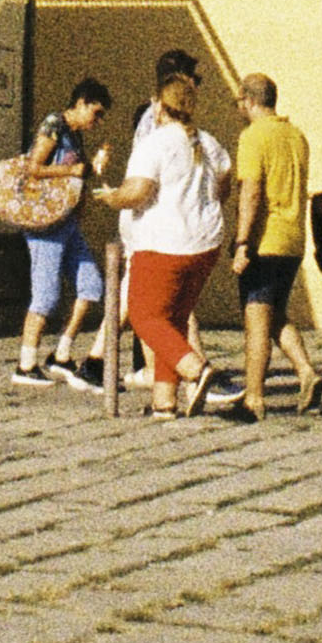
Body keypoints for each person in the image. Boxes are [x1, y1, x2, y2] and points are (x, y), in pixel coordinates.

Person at [98, 51, 232, 414]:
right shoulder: (207, 141)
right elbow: (224, 181)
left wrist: (112, 197)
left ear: (159, 104)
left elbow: (139, 192)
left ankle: (196, 369)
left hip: (163, 244)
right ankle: (164, 402)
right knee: (172, 319)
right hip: (205, 245)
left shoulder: (154, 143)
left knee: (145, 317)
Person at [8, 74, 116, 389]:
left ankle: (62, 353)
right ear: (80, 104)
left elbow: (75, 177)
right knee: (46, 295)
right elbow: (33, 167)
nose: (97, 121)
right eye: (95, 113)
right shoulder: (54, 125)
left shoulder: (75, 134)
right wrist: (72, 169)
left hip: (67, 223)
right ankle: (25, 364)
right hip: (45, 225)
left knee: (91, 285)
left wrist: (91, 168)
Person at [227, 76, 320, 418]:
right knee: (276, 314)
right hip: (293, 239)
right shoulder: (296, 136)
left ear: (249, 101)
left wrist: (241, 242)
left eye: (239, 102)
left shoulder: (253, 137)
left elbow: (251, 193)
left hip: (265, 241)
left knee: (256, 321)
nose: (238, 108)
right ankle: (307, 372)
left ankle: (254, 398)